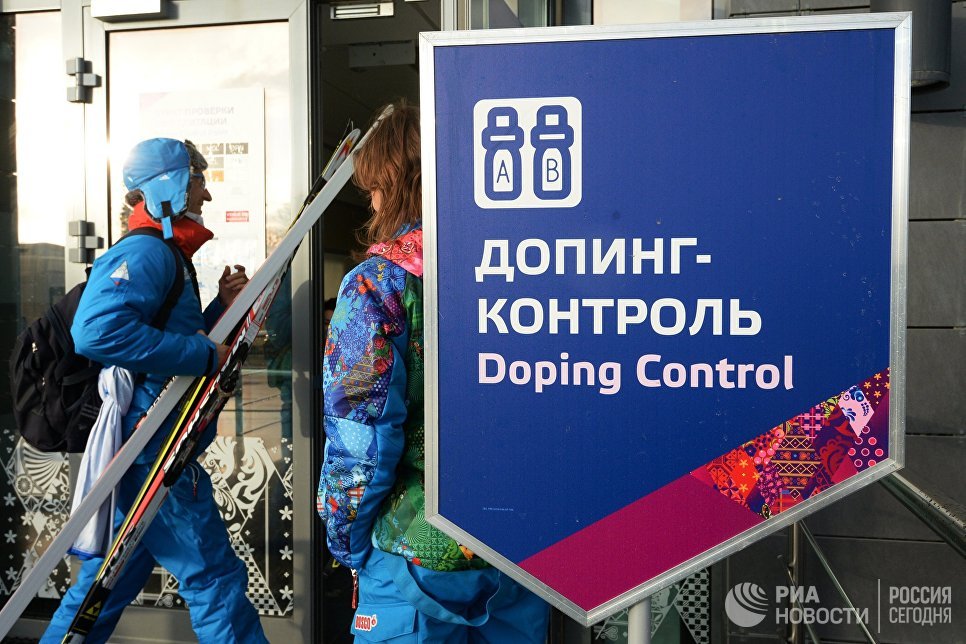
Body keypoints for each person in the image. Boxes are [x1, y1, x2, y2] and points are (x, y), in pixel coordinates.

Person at [318, 101, 550, 642]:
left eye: (374, 188)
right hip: (519, 543)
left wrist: (346, 542)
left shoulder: (376, 285)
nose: (371, 201)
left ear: (396, 184)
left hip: (414, 553)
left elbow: (361, 440)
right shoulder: (529, 267)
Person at [43, 138, 267, 644]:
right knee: (215, 581)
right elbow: (96, 333)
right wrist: (205, 356)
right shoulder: (147, 251)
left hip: (146, 444)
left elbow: (170, 339)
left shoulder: (163, 253)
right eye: (198, 180)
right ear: (170, 184)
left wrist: (220, 309)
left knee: (104, 587)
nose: (206, 194)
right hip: (156, 451)